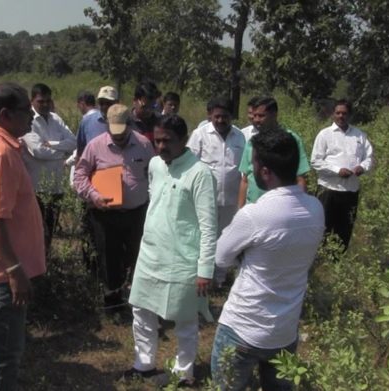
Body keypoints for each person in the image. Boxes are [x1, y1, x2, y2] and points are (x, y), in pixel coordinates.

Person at [211, 130, 324, 390]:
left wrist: (246, 255)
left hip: (242, 328)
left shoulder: (255, 214)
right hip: (284, 330)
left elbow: (221, 256)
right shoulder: (316, 209)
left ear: (264, 172)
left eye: (252, 166)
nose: (250, 171)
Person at [124, 115, 217, 387]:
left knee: (185, 319)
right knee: (141, 310)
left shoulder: (199, 173)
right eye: (158, 140)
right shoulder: (154, 164)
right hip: (151, 253)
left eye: (168, 141)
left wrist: (205, 269)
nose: (161, 146)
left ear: (184, 140)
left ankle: (183, 372)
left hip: (183, 259)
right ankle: (144, 363)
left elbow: (209, 226)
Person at [0, 83, 46, 390]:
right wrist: (15, 271)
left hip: (4, 268)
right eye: (25, 112)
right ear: (5, 114)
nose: (31, 117)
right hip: (3, 273)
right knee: (5, 353)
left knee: (2, 347)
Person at [74, 104, 155, 312]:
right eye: (113, 131)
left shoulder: (144, 145)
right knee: (109, 257)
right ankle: (112, 300)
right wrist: (94, 195)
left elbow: (154, 173)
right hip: (106, 215)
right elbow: (80, 175)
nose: (118, 136)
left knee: (138, 254)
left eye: (122, 132)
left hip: (137, 213)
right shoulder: (95, 146)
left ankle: (137, 298)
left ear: (130, 125)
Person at [311, 99, 374, 249]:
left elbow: (369, 157)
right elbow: (315, 161)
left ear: (350, 115)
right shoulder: (325, 134)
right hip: (328, 189)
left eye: (344, 113)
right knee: (323, 226)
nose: (341, 116)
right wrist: (337, 170)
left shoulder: (359, 135)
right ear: (333, 114)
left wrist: (362, 167)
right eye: (338, 113)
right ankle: (319, 258)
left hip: (350, 190)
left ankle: (337, 261)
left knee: (345, 228)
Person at [21, 83, 76, 251]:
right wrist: (62, 152)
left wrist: (51, 144)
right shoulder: (28, 121)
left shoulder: (55, 119)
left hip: (56, 186)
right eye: (40, 101)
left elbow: (73, 141)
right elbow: (38, 151)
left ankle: (45, 266)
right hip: (37, 187)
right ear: (32, 101)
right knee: (36, 233)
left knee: (50, 231)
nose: (44, 104)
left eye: (47, 101)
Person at [238, 97, 310, 207]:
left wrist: (301, 207)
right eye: (254, 115)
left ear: (274, 115)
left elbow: (300, 179)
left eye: (261, 116)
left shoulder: (290, 140)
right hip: (254, 208)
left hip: (283, 208)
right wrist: (240, 210)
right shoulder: (252, 142)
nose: (256, 120)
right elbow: (245, 180)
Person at [188, 98, 246, 232]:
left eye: (225, 116)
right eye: (217, 116)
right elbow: (190, 165)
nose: (220, 120)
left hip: (232, 202)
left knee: (228, 239)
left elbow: (243, 167)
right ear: (209, 115)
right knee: (206, 236)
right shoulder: (200, 135)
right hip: (206, 201)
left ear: (231, 116)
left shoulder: (239, 136)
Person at [76, 85, 118, 159]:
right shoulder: (86, 122)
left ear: (117, 103)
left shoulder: (127, 122)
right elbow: (80, 153)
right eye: (101, 103)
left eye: (108, 103)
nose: (104, 107)